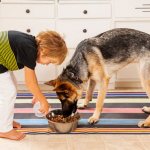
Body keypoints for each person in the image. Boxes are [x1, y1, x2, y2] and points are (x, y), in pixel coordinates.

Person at [0, 30, 67, 140]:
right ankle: (4, 129)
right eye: (49, 61)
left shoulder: (30, 44)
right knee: (8, 92)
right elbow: (30, 82)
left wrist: (36, 93)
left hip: (1, 61)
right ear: (44, 51)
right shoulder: (29, 49)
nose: (46, 64)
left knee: (12, 87)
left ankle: (4, 120)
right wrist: (43, 101)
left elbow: (32, 78)